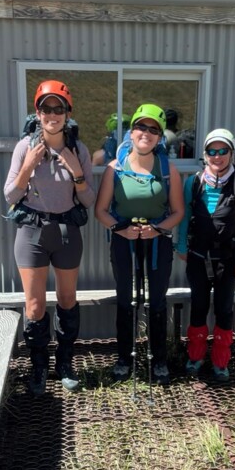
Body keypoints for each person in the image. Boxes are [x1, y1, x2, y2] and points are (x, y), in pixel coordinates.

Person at [3, 80, 97, 395]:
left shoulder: (78, 150)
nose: (52, 114)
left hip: (67, 231)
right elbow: (10, 195)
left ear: (67, 113)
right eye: (47, 108)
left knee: (68, 299)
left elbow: (88, 200)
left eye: (59, 108)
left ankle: (65, 363)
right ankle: (39, 367)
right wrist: (28, 166)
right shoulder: (23, 148)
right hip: (31, 231)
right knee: (34, 304)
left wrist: (77, 172)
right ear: (38, 112)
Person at [94, 103, 184, 386]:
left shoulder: (168, 170)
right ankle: (124, 358)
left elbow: (178, 211)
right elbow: (101, 210)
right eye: (141, 127)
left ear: (159, 137)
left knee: (156, 301)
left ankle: (158, 360)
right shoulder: (114, 168)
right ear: (131, 132)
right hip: (125, 242)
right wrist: (120, 230)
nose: (146, 133)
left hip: (157, 243)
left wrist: (157, 230)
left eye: (153, 129)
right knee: (126, 299)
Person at [175, 129, 235, 382]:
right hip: (197, 257)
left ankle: (220, 362)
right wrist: (181, 246)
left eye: (223, 151)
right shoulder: (193, 182)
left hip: (227, 261)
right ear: (205, 155)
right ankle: (195, 357)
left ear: (231, 153)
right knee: (199, 307)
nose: (217, 157)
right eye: (212, 152)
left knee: (224, 310)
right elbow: (184, 219)